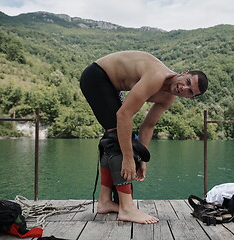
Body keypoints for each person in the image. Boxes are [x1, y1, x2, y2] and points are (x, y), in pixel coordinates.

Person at [79, 50, 208, 224]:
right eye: (187, 82)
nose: (184, 89)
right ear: (184, 73)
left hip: (110, 85)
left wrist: (142, 160)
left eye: (190, 92)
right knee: (120, 137)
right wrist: (128, 158)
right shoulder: (156, 76)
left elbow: (148, 126)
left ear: (191, 97)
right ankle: (127, 208)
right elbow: (124, 115)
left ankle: (105, 201)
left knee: (118, 137)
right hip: (97, 76)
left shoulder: (168, 98)